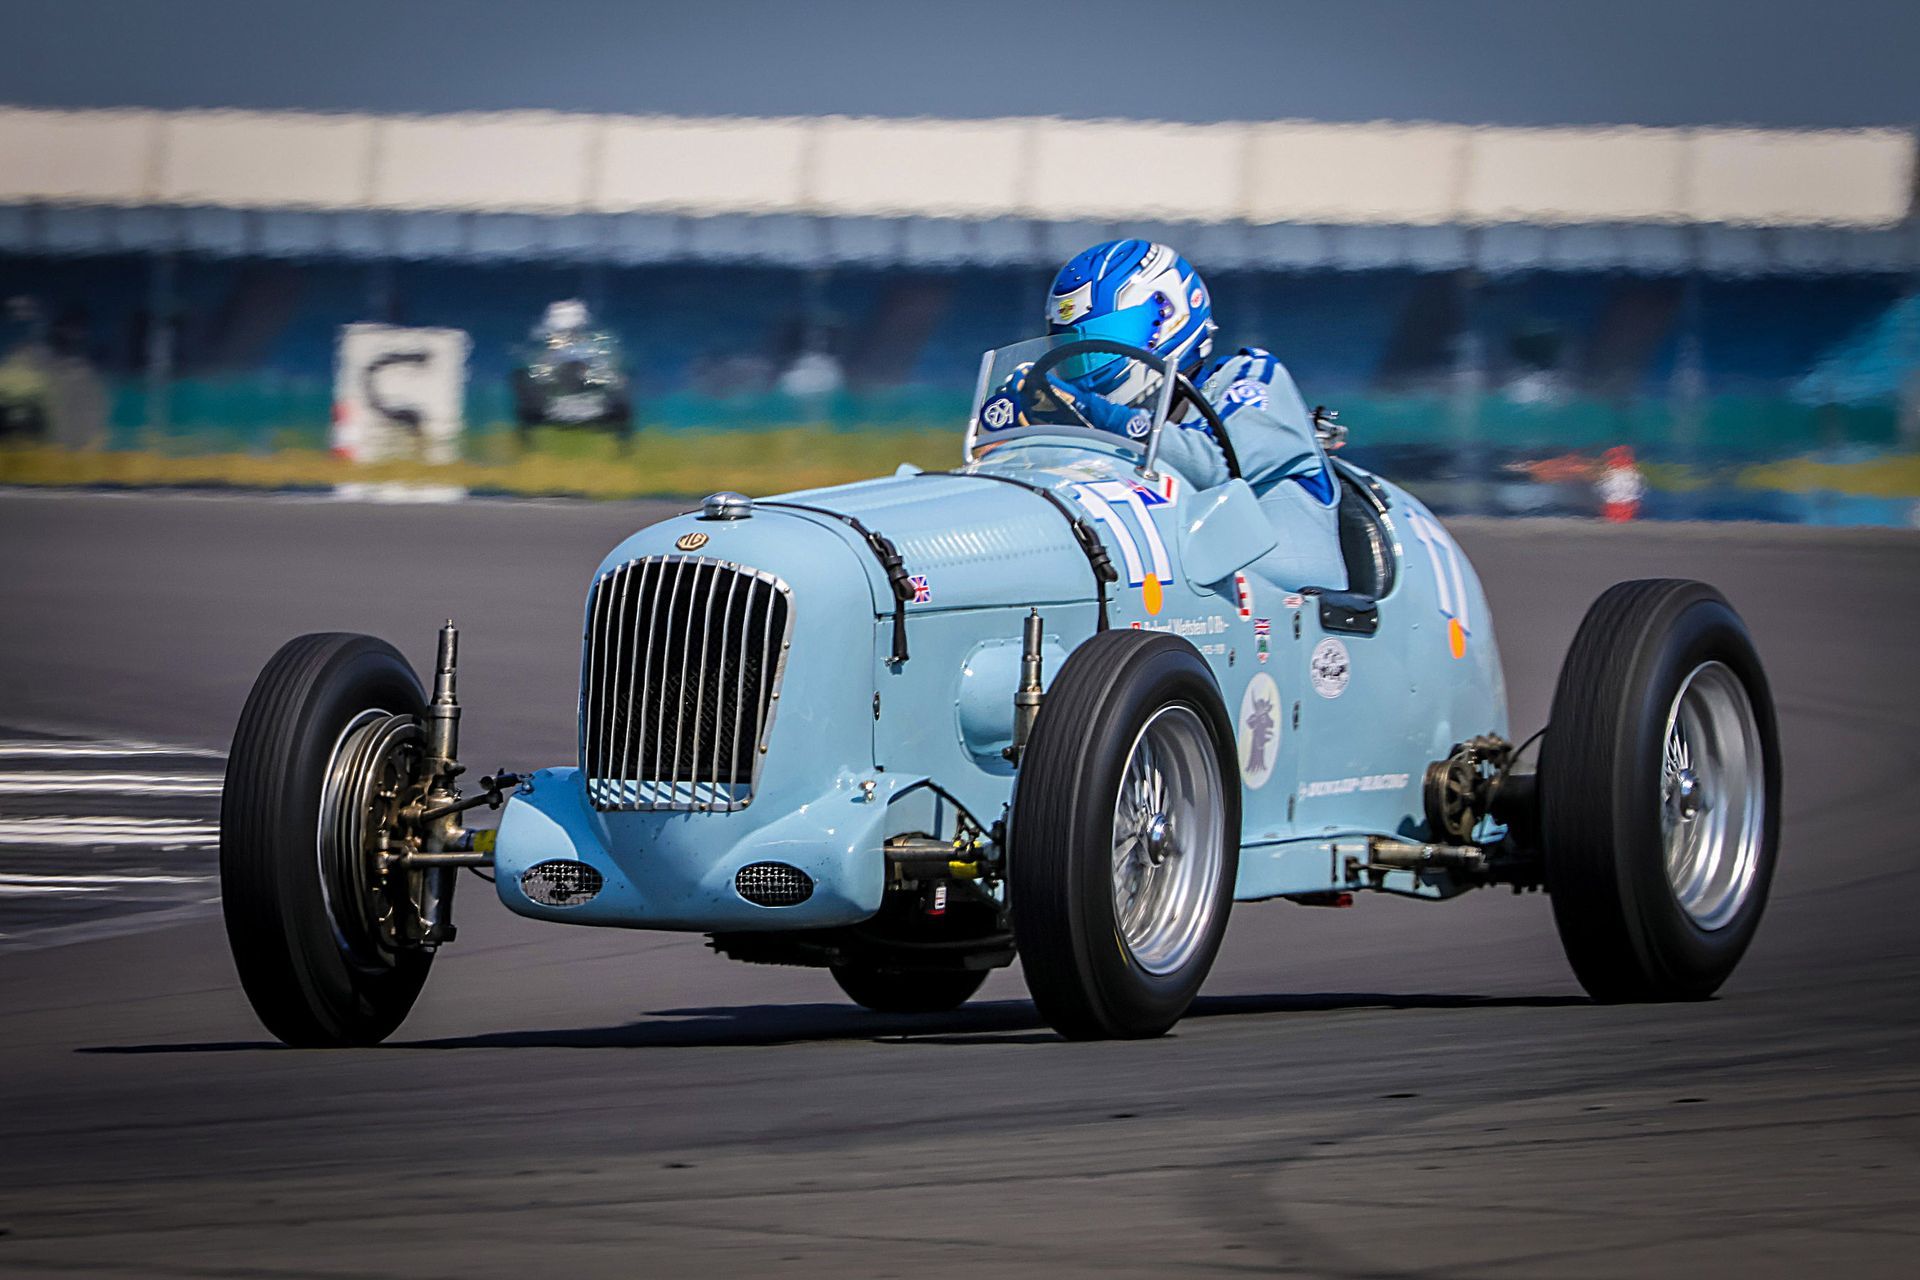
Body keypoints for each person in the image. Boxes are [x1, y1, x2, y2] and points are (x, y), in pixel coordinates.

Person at [1027, 239, 1348, 589]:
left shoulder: (1252, 377)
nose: (1086, 362)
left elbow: (1218, 467)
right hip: (1173, 613)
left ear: (1168, 315)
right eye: (1071, 348)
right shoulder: (1098, 426)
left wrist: (1091, 410)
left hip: (1288, 619)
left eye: (1103, 341)